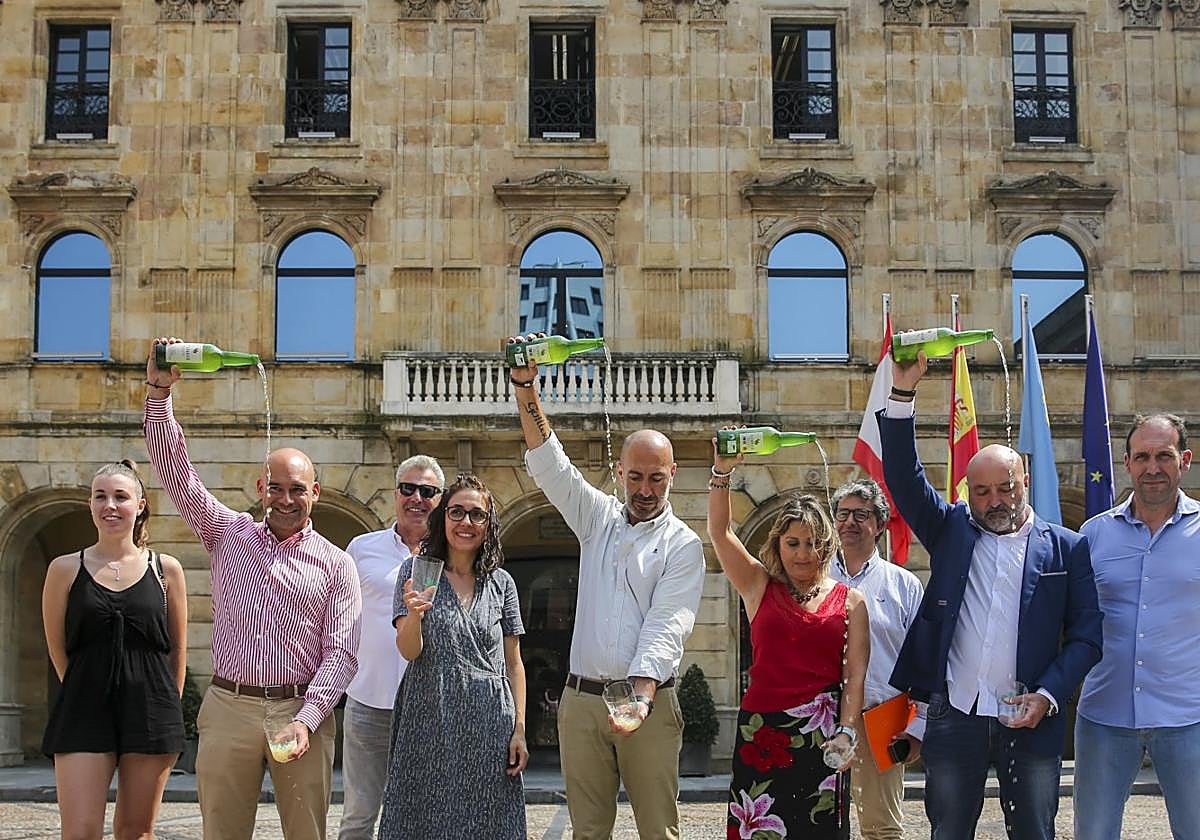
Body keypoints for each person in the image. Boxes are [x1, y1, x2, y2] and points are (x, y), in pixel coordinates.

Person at [143, 337, 361, 840]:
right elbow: (177, 473)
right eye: (277, 487)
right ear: (261, 488)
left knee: (307, 834)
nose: (286, 499)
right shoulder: (226, 532)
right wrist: (159, 393)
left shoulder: (337, 563)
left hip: (300, 708)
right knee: (222, 832)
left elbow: (341, 654)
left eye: (298, 489)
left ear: (315, 494)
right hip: (229, 707)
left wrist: (307, 720)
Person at [879, 349, 1103, 840]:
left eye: (1005, 488)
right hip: (955, 714)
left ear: (1023, 477)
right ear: (967, 491)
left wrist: (1047, 695)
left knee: (1034, 833)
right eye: (981, 492)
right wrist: (902, 394)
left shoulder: (1068, 548)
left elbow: (1087, 638)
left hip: (1031, 717)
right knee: (949, 830)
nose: (995, 501)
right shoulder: (952, 531)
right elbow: (902, 478)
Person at [510, 334, 705, 840]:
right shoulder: (596, 518)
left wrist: (638, 697)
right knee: (586, 833)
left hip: (650, 702)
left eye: (656, 479)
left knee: (658, 831)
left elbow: (667, 626)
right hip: (581, 703)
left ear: (673, 476)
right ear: (619, 471)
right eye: (636, 476)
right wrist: (525, 386)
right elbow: (550, 462)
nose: (644, 490)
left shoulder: (684, 545)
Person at [708, 438, 869, 840]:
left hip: (824, 736)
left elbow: (855, 676)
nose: (803, 553)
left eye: (812, 543)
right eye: (793, 543)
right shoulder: (758, 585)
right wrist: (722, 473)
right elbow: (719, 531)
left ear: (826, 544)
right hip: (762, 732)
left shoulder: (851, 600)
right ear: (778, 544)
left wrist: (847, 732)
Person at [42, 459, 187, 840]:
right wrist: (84, 687)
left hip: (151, 709)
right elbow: (59, 650)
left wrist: (166, 711)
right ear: (90, 504)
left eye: (120, 497)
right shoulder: (64, 569)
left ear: (140, 504)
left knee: (136, 832)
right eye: (100, 496)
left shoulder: (166, 569)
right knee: (79, 832)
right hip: (83, 709)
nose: (110, 506)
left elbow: (177, 655)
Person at [377, 473, 528, 839]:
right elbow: (409, 651)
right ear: (443, 516)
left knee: (488, 823)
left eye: (477, 514)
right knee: (424, 820)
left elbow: (513, 663)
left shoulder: (502, 583)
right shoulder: (416, 572)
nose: (466, 522)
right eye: (457, 512)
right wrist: (414, 615)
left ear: (488, 524)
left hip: (490, 723)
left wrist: (520, 729)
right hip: (430, 716)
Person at [1074, 413, 1200, 840]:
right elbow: (1069, 620)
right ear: (1126, 462)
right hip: (1104, 716)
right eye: (1142, 456)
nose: (1153, 467)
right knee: (1093, 834)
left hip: (1189, 717)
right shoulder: (1093, 535)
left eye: (1163, 456)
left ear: (1185, 459)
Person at [338, 455, 443, 840]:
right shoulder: (362, 548)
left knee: (424, 815)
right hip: (369, 700)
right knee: (359, 814)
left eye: (428, 491)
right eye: (408, 488)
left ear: (440, 498)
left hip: (432, 706)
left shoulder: (453, 555)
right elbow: (340, 618)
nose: (417, 498)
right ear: (395, 493)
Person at [828, 479, 924, 840]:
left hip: (881, 720)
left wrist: (917, 726)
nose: (850, 522)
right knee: (816, 821)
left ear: (880, 524)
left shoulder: (904, 585)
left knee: (882, 829)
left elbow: (921, 659)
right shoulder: (813, 577)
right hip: (822, 715)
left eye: (861, 515)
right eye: (843, 514)